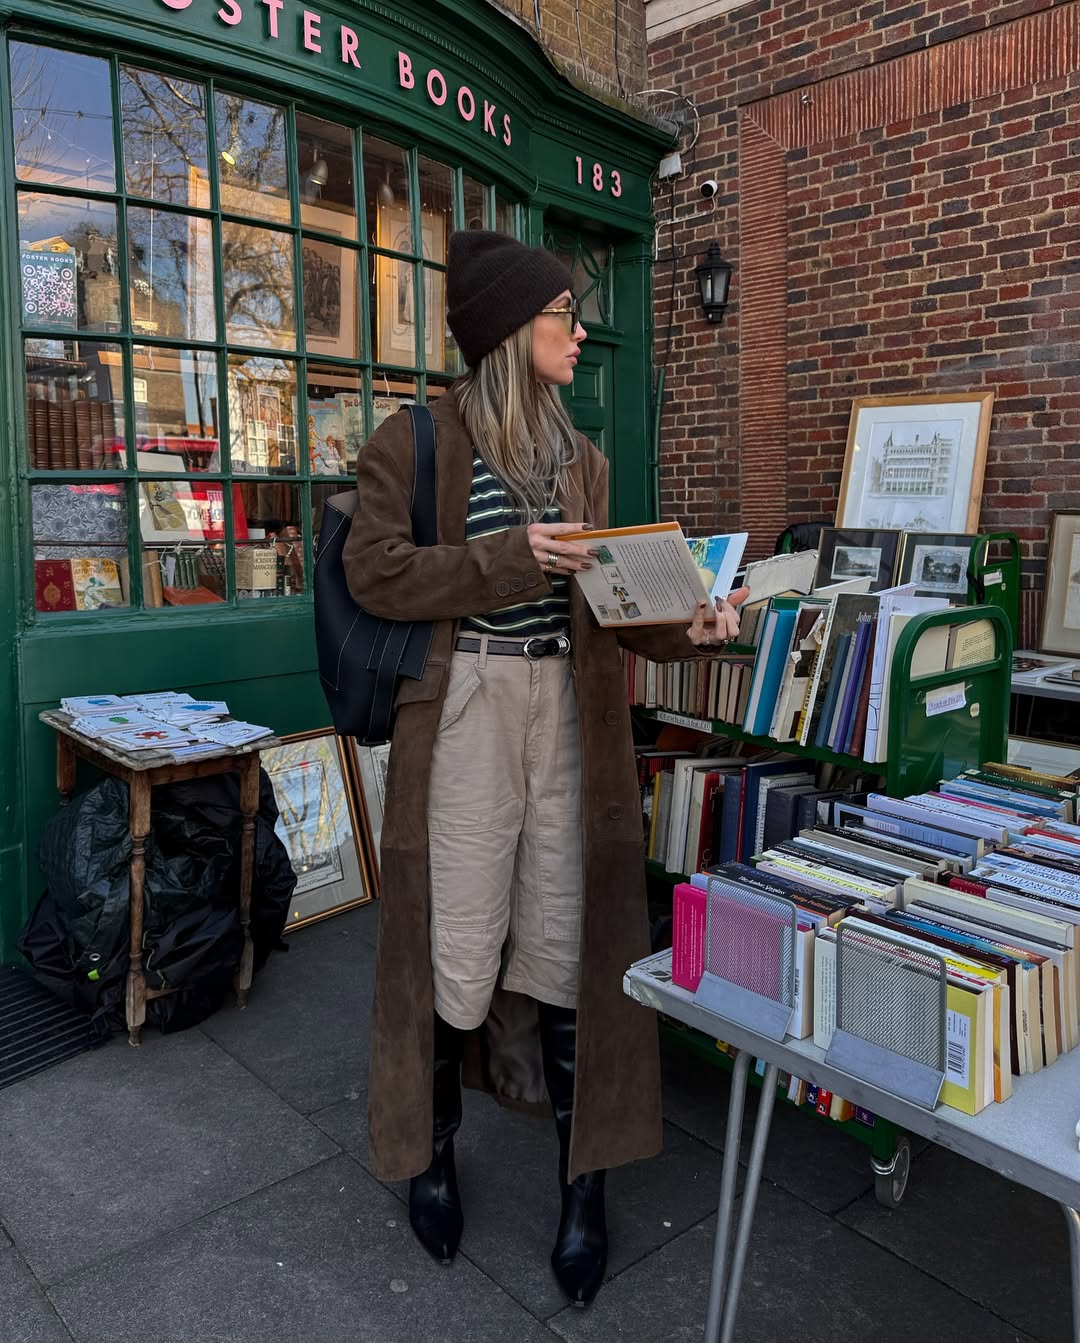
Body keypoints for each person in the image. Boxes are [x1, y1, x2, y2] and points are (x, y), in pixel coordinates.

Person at [342, 230, 746, 1306]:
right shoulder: (415, 439)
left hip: (569, 713)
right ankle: (431, 1150)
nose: (579, 330)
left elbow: (612, 599)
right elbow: (374, 571)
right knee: (451, 944)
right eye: (563, 315)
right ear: (514, 333)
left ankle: (583, 1191)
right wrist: (507, 557)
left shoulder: (583, 459)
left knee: (571, 941)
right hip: (465, 706)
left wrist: (691, 624)